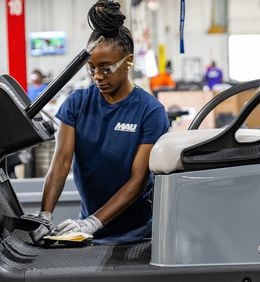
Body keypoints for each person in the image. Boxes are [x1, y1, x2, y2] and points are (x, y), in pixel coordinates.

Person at [32, 0, 169, 245]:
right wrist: (45, 214)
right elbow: (62, 162)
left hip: (137, 234)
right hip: (88, 231)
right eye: (91, 68)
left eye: (106, 69)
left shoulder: (150, 111)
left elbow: (137, 181)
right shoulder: (76, 103)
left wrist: (94, 222)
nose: (97, 76)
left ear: (128, 62)